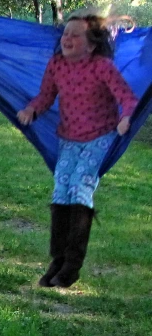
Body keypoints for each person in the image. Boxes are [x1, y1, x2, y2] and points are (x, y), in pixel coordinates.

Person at [17, 14, 138, 288]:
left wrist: (126, 117)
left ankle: (72, 265)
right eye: (65, 34)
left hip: (100, 137)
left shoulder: (102, 67)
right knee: (61, 190)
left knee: (80, 189)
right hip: (68, 138)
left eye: (75, 35)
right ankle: (57, 260)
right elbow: (46, 96)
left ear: (91, 45)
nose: (67, 39)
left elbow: (128, 98)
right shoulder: (56, 64)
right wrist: (31, 109)